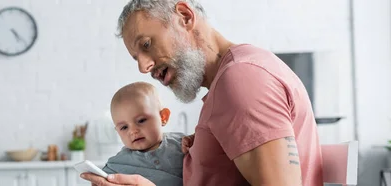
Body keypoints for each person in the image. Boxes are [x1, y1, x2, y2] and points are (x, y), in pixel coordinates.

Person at [81, 0, 324, 186]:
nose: (144, 67)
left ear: (184, 17)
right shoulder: (233, 78)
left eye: (147, 45)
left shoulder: (241, 79)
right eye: (137, 58)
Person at [101, 81, 186, 185]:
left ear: (163, 117)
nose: (133, 131)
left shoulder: (183, 144)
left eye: (141, 120)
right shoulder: (116, 164)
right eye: (124, 127)